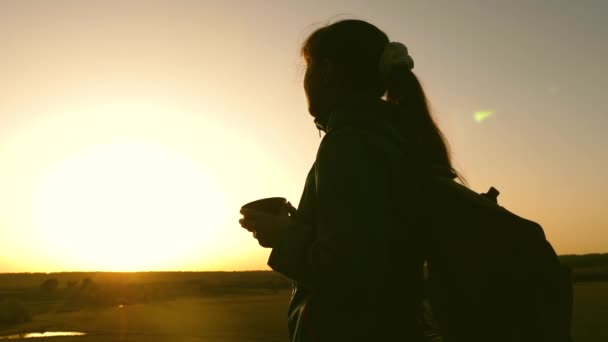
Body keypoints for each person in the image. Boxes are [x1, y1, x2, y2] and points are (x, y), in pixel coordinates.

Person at [239, 19, 462, 341]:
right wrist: (305, 227)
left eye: (309, 66)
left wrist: (283, 235)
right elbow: (374, 241)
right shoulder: (393, 136)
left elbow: (347, 273)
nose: (305, 79)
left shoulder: (351, 142)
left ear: (327, 70)